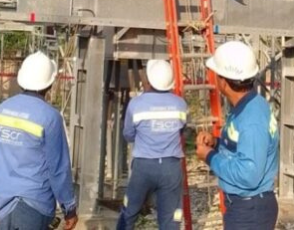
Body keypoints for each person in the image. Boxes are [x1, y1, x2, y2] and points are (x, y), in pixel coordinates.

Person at [0, 52, 78, 230]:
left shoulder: (1, 110)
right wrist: (69, 208)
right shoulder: (50, 117)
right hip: (35, 203)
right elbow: (58, 168)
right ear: (50, 83)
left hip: (3, 201)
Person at [194, 41, 280, 229]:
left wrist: (209, 156)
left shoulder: (251, 118)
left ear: (223, 82)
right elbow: (243, 146)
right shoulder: (250, 105)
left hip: (249, 210)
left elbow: (249, 174)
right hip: (247, 207)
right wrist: (216, 143)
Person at [117, 59, 189, 230]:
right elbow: (184, 131)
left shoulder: (136, 104)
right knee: (170, 220)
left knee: (129, 213)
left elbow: (128, 134)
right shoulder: (180, 104)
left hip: (143, 167)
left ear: (148, 80)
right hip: (171, 167)